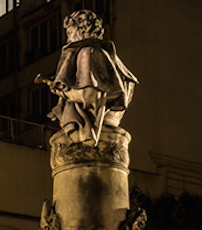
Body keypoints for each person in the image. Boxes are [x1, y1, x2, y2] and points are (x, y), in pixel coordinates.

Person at [39, 10, 138, 146]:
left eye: (69, 33)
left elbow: (90, 96)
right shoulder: (109, 56)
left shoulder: (88, 52)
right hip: (109, 126)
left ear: (83, 29)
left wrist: (61, 91)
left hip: (94, 128)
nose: (68, 39)